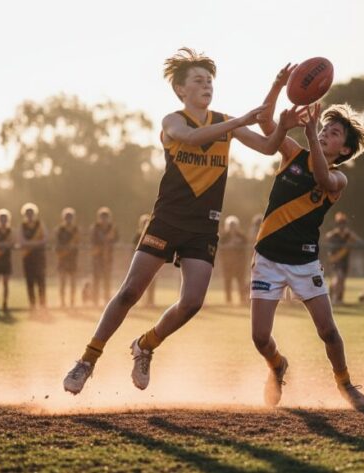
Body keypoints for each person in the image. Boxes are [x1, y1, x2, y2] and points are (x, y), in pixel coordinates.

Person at [63, 47, 303, 395]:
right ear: (180, 90)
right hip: (167, 220)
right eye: (198, 80)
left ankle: (145, 345)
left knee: (192, 302)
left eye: (209, 81)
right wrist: (237, 122)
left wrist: (279, 103)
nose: (206, 85)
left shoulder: (225, 121)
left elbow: (268, 148)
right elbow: (191, 137)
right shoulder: (173, 121)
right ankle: (87, 360)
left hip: (203, 226)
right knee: (130, 291)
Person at [248, 63, 364, 409]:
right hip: (269, 259)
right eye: (324, 129)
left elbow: (321, 177)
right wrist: (276, 87)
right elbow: (266, 123)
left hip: (304, 262)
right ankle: (277, 365)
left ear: (344, 151)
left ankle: (345, 384)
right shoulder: (292, 154)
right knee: (260, 338)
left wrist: (312, 130)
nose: (324, 135)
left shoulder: (339, 180)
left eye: (333, 134)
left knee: (329, 332)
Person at [324, 212, 361, 305]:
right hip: (334, 260)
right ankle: (335, 299)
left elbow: (359, 242)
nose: (342, 225)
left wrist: (351, 235)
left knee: (341, 280)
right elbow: (326, 241)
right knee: (338, 278)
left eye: (343, 223)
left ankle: (339, 298)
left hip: (344, 261)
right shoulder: (332, 235)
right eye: (340, 223)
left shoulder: (348, 235)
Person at [19, 203, 47, 310]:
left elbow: (45, 239)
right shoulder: (22, 226)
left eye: (31, 213)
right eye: (27, 213)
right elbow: (21, 240)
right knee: (30, 282)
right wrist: (36, 243)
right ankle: (32, 305)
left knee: (41, 281)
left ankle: (43, 304)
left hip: (39, 257)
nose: (29, 215)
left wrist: (30, 243)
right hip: (28, 257)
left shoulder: (40, 225)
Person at [89, 207, 119, 307]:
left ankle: (106, 299)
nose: (104, 219)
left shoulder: (112, 228)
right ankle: (95, 300)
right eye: (102, 217)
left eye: (106, 217)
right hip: (97, 257)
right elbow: (92, 240)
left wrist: (108, 241)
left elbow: (116, 239)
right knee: (96, 279)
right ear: (99, 218)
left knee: (107, 279)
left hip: (107, 257)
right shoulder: (95, 228)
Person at [218, 215, 249, 305]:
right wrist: (229, 245)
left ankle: (242, 298)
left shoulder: (242, 237)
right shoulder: (224, 237)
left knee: (241, 281)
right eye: (230, 225)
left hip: (240, 264)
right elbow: (220, 246)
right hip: (227, 264)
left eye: (234, 225)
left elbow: (246, 244)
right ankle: (228, 300)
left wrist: (238, 243)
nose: (232, 227)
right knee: (227, 281)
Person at [55, 207, 80, 308]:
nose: (68, 218)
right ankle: (62, 302)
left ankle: (72, 302)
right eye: (66, 216)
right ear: (63, 218)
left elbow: (77, 242)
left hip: (72, 258)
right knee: (62, 281)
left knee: (73, 282)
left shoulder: (75, 229)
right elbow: (57, 243)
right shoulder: (60, 229)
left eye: (70, 217)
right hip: (62, 258)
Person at [132, 214, 156, 308]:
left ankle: (150, 301)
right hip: (141, 263)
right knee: (139, 283)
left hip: (152, 263)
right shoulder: (138, 236)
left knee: (151, 282)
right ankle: (138, 300)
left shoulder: (153, 235)